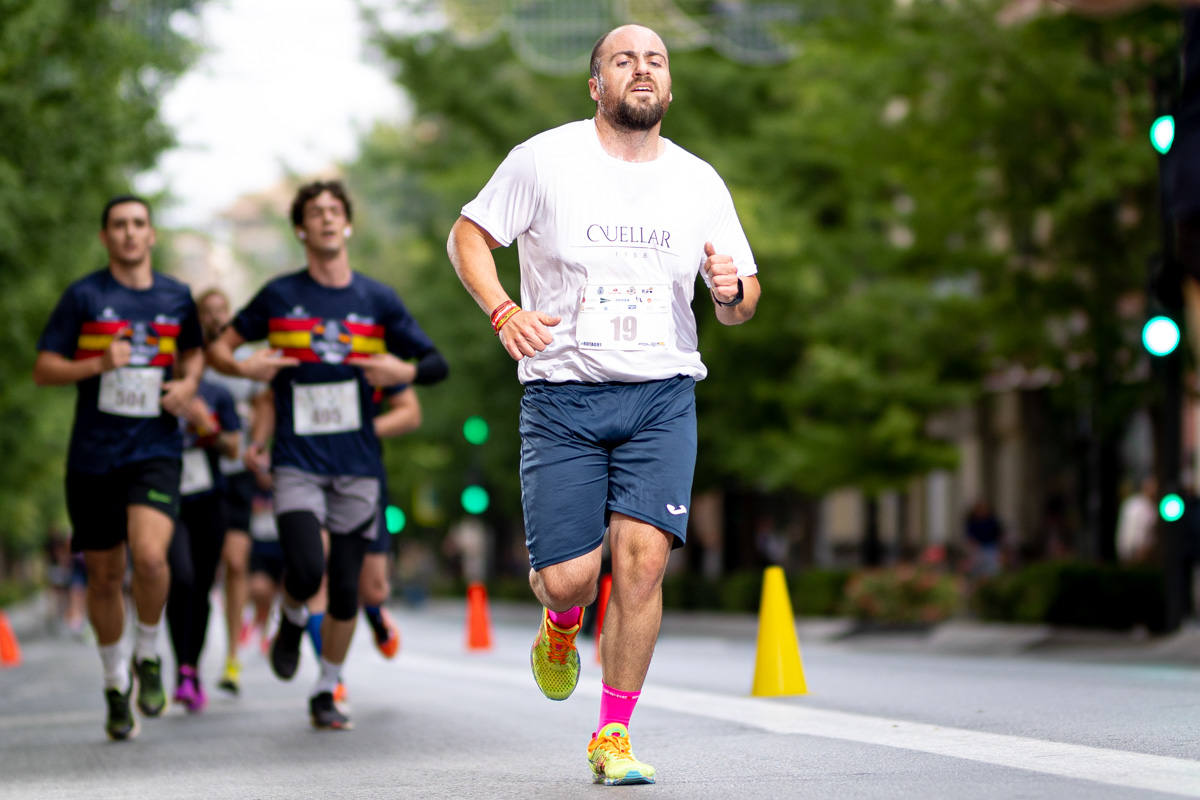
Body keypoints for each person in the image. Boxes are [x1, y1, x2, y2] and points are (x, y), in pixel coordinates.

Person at [446, 24, 759, 785]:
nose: (641, 70)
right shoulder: (544, 159)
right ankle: (559, 626)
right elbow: (468, 234)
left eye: (655, 60)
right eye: (624, 60)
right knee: (572, 580)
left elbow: (742, 298)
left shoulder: (699, 180)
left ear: (669, 86)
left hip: (661, 393)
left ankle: (612, 734)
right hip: (563, 395)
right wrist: (501, 310)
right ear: (596, 84)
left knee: (643, 565)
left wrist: (732, 293)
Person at [207, 179, 447, 730]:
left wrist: (402, 370)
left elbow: (436, 364)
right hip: (297, 462)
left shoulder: (377, 301)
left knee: (344, 587)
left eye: (335, 210)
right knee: (306, 565)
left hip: (358, 468)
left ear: (349, 224)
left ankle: (324, 687)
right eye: (314, 213)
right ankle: (292, 618)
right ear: (300, 229)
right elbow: (220, 347)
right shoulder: (277, 296)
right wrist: (246, 368)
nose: (326, 219)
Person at [33, 195, 204, 740]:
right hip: (94, 455)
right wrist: (94, 363)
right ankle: (113, 684)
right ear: (106, 238)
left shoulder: (176, 296)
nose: (130, 234)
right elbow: (44, 368)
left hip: (155, 447)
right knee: (105, 575)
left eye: (138, 224)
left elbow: (194, 351)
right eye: (119, 226)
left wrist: (189, 383)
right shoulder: (85, 296)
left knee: (152, 559)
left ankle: (149, 655)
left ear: (150, 235)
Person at [195, 286, 270, 696]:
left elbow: (263, 406)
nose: (216, 316)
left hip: (237, 471)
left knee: (237, 563)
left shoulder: (243, 359)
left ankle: (231, 659)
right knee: (201, 570)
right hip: (198, 471)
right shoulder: (191, 360)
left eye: (222, 309)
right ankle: (191, 655)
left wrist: (256, 445)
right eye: (208, 311)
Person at [166, 380, 240, 712]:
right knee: (180, 578)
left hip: (209, 501)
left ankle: (190, 669)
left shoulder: (216, 393)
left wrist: (206, 424)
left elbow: (233, 447)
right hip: (166, 499)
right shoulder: (155, 385)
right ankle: (180, 664)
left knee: (201, 586)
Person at [1116, 476, 1158, 563]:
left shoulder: (1154, 506)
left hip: (1147, 552)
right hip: (1133, 550)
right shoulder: (1133, 505)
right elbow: (1127, 529)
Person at [963, 500, 1004, 577]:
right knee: (977, 569)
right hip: (977, 548)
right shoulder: (972, 521)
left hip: (991, 547)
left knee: (991, 568)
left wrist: (1000, 547)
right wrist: (973, 546)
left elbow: (999, 534)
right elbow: (969, 535)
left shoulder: (992, 520)